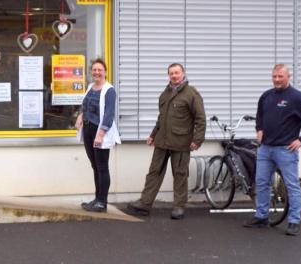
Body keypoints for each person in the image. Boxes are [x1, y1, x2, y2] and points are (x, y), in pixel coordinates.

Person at [244, 64, 301, 236]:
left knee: (292, 186)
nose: (277, 79)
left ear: (288, 76)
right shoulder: (266, 96)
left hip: (285, 150)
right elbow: (260, 115)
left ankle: (294, 221)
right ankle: (261, 216)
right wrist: (259, 129)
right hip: (265, 149)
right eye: (274, 76)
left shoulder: (297, 98)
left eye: (280, 77)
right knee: (262, 183)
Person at [125, 63, 205, 220]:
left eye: (177, 73)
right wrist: (153, 135)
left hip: (181, 142)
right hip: (162, 141)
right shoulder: (165, 93)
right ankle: (144, 204)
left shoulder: (192, 94)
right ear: (168, 75)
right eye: (171, 73)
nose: (174, 76)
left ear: (183, 74)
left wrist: (198, 140)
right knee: (154, 172)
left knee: (180, 174)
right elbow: (161, 118)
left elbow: (200, 119)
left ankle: (179, 206)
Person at [75, 58, 122, 212]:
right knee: (95, 166)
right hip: (88, 131)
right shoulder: (90, 87)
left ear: (105, 72)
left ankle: (102, 202)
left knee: (102, 167)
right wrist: (80, 116)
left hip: (100, 132)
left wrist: (100, 134)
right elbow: (85, 105)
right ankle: (97, 199)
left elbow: (109, 115)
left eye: (99, 70)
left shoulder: (109, 90)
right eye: (94, 70)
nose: (96, 72)